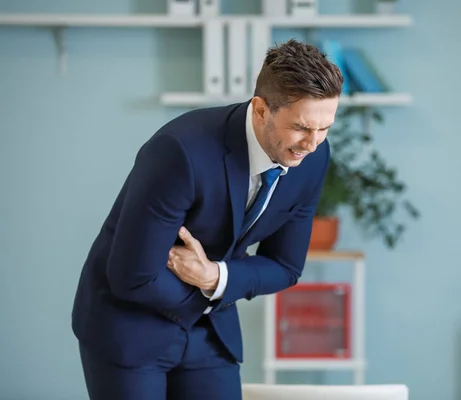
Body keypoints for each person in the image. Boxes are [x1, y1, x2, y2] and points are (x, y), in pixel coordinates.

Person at [71, 38, 343, 399]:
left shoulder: (313, 158)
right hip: (129, 324)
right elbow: (131, 278)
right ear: (261, 110)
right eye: (301, 127)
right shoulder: (180, 150)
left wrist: (215, 277)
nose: (313, 143)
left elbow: (286, 266)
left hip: (210, 331)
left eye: (325, 128)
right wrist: (212, 291)